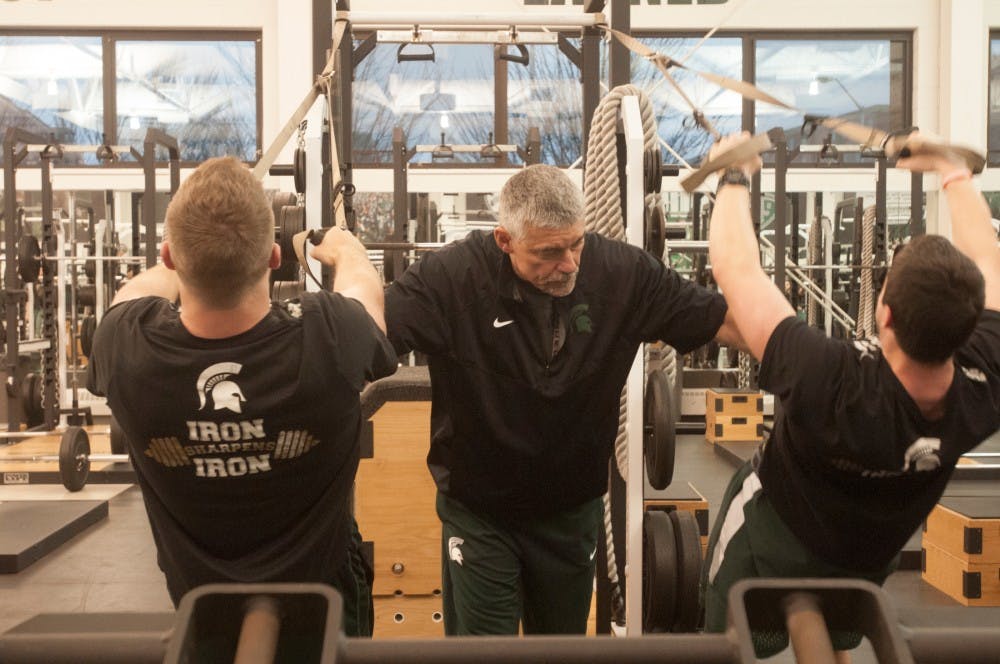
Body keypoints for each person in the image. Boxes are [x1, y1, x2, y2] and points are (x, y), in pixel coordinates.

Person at [384, 163, 745, 636]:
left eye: (576, 243)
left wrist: (805, 362)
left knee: (561, 650)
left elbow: (730, 323)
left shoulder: (623, 274)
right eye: (550, 252)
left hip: (570, 510)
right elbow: (366, 334)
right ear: (504, 240)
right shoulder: (452, 278)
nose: (570, 263)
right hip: (481, 513)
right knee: (481, 654)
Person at [702, 132, 1000, 660]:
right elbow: (992, 263)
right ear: (971, 323)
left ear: (883, 314)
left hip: (773, 541)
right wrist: (954, 172)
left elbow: (735, 268)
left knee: (720, 641)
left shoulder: (831, 379)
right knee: (843, 623)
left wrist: (733, 174)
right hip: (868, 559)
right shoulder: (985, 387)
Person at [86, 156, 397, 636]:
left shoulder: (124, 346)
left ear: (169, 256)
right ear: (275, 257)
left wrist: (190, 250)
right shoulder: (331, 334)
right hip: (324, 604)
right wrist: (343, 247)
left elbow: (134, 291)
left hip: (201, 604)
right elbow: (365, 291)